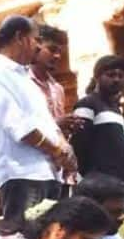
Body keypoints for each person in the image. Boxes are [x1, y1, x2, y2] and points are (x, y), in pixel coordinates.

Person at [0, 15, 75, 223]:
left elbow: (47, 122)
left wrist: (65, 149)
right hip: (23, 175)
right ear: (20, 37)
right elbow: (19, 127)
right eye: (36, 39)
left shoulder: (24, 79)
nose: (39, 47)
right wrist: (56, 151)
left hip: (48, 173)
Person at [29, 24, 84, 193]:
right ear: (36, 46)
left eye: (60, 51)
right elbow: (22, 125)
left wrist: (68, 126)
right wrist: (56, 123)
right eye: (52, 49)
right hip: (32, 167)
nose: (57, 56)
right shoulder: (22, 82)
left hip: (59, 169)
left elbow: (59, 128)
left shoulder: (57, 88)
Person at [71, 55, 124, 199]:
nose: (116, 79)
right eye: (111, 75)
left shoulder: (117, 110)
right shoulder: (87, 104)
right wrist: (91, 177)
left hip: (123, 185)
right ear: (97, 77)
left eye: (120, 76)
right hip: (99, 188)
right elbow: (79, 144)